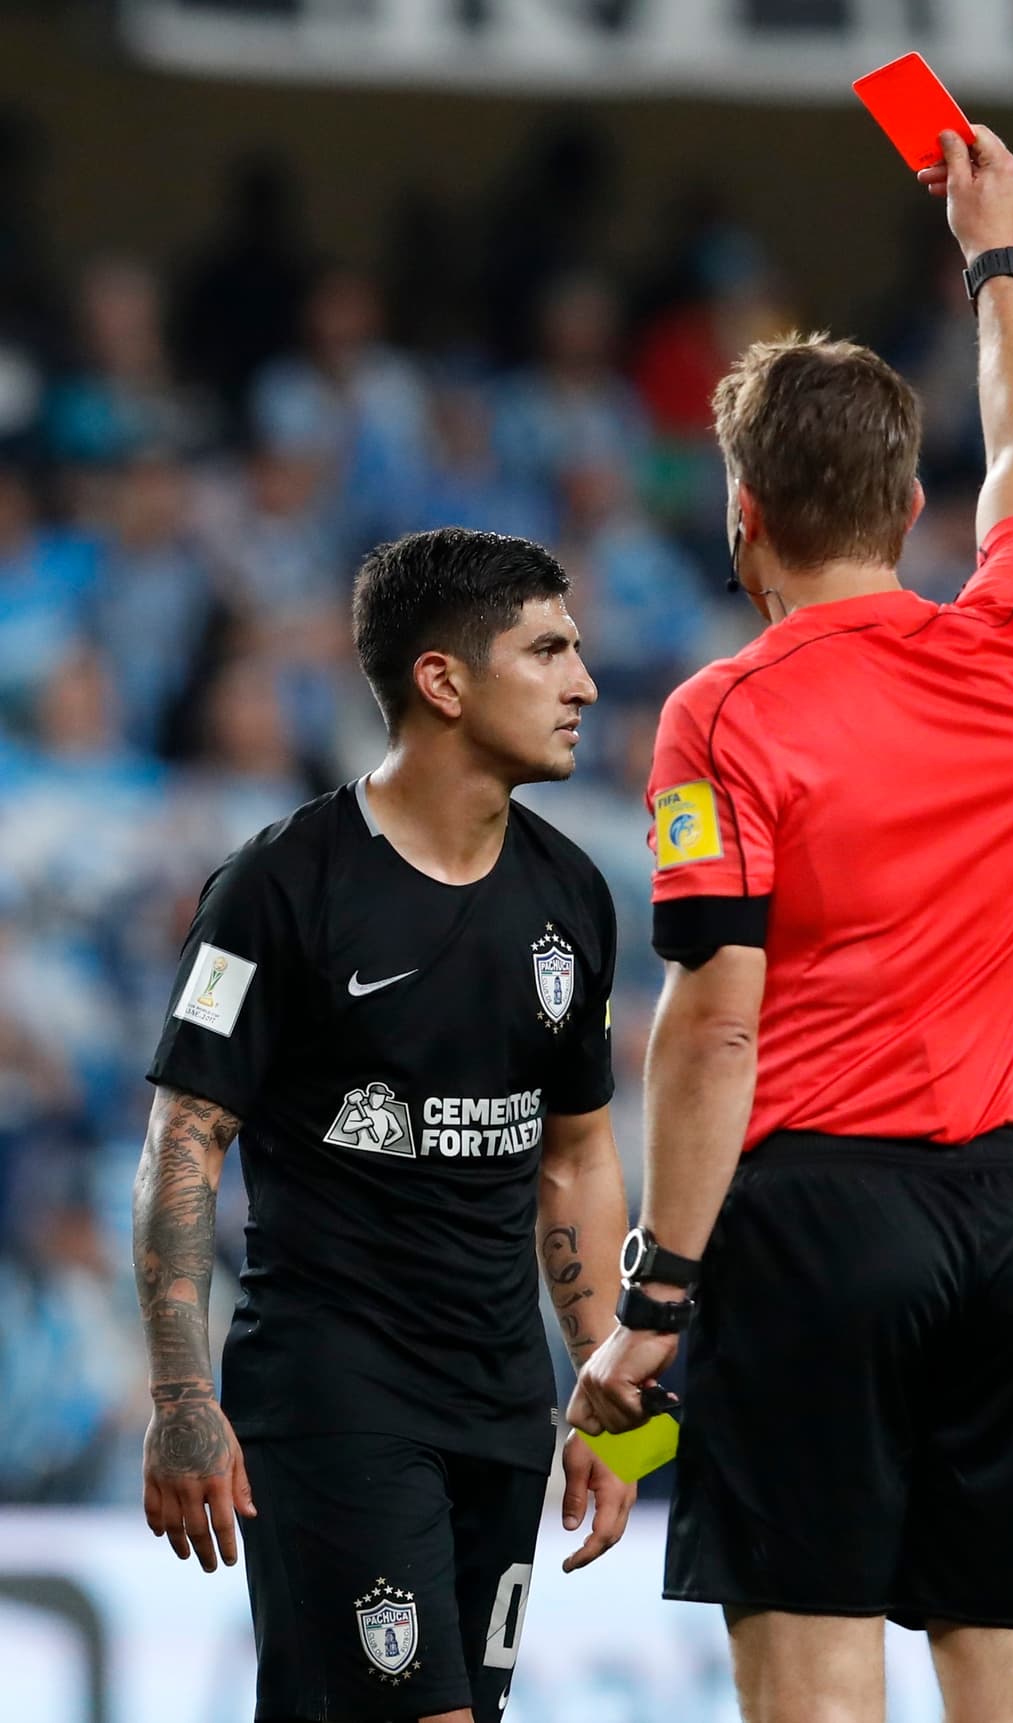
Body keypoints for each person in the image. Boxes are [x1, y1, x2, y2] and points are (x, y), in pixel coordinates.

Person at [571, 127, 1013, 1723]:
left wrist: (653, 1300)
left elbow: (716, 1022)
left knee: (814, 1689)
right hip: (1006, 1224)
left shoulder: (721, 713)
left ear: (742, 512)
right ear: (912, 499)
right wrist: (994, 258)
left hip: (811, 1236)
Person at [133, 527, 635, 1723]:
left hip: (503, 1402)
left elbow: (574, 1156)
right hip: (335, 1392)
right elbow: (185, 1139)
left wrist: (616, 1406)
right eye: (549, 650)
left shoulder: (571, 895)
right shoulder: (278, 887)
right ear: (443, 681)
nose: (586, 683)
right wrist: (180, 1397)